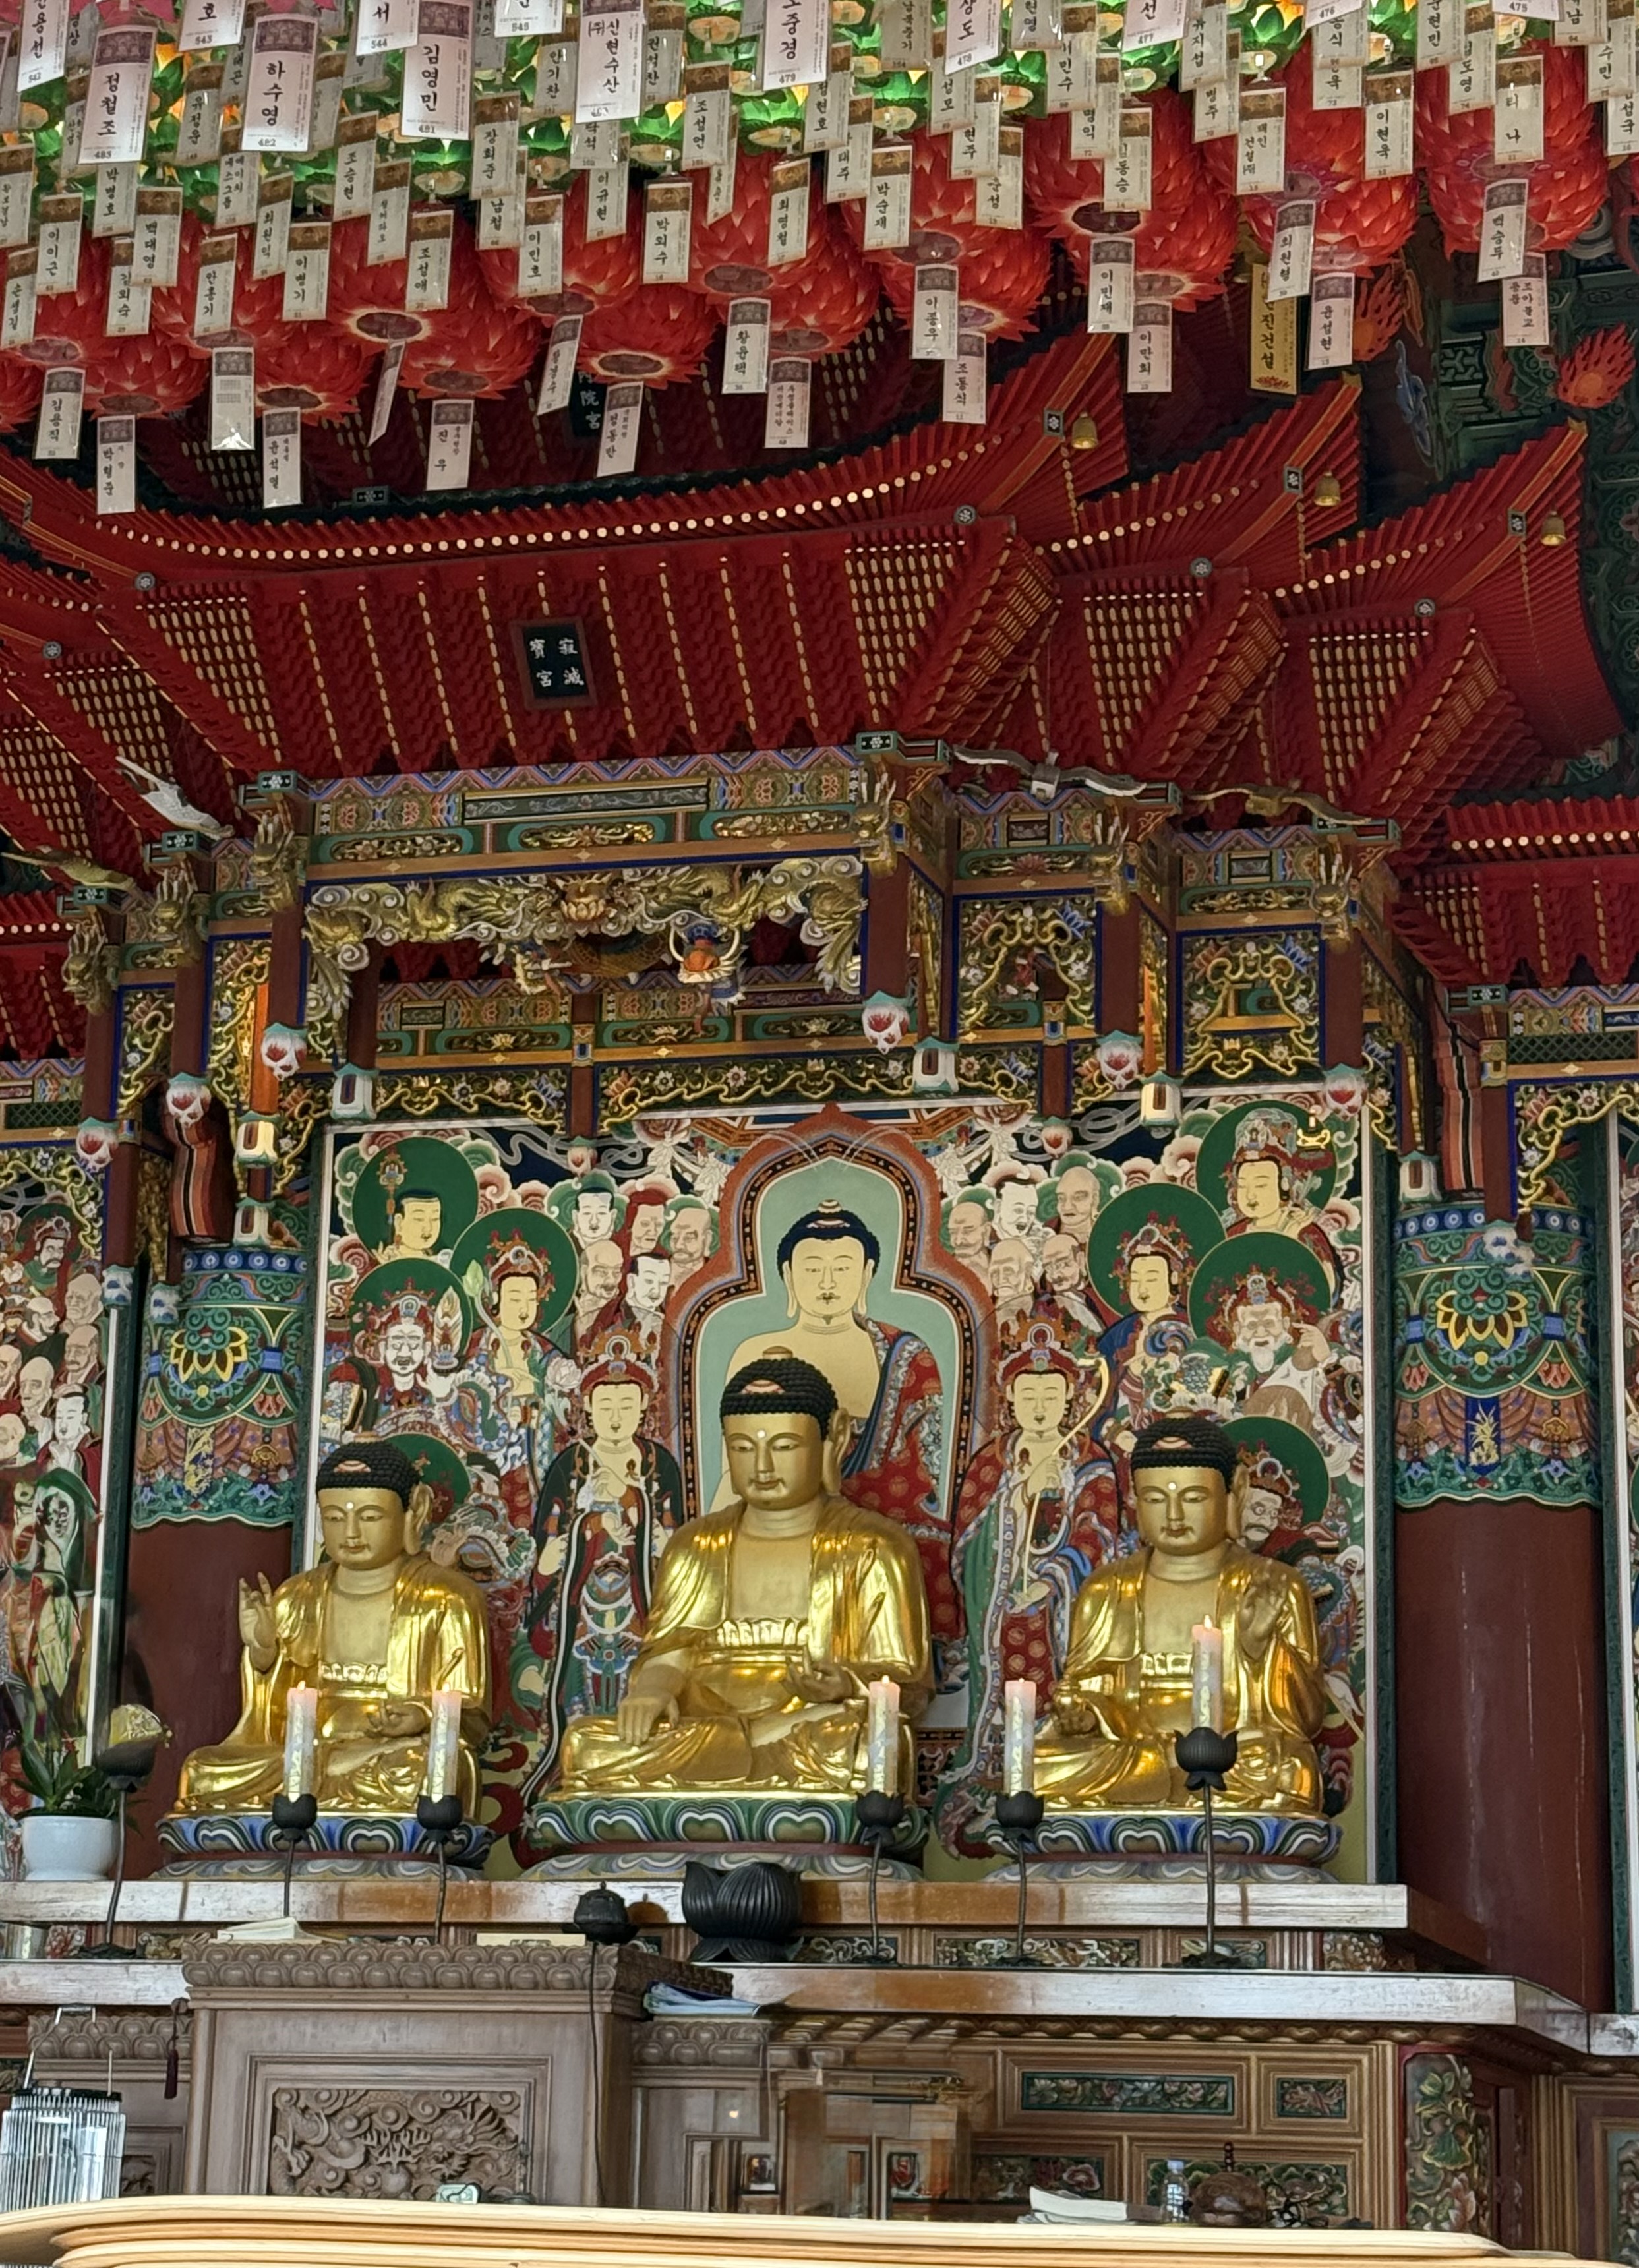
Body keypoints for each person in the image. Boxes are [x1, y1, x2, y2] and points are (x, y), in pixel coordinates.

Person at [554, 1357, 930, 1794]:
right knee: (584, 1744)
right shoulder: (696, 1545)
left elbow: (908, 1687)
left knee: (866, 1744)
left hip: (813, 1727)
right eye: (743, 1448)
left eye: (785, 1447)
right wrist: (653, 1692)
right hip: (698, 1729)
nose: (763, 1467)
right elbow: (670, 1654)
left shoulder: (873, 1546)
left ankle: (741, 1754)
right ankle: (747, 1747)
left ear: (834, 1440)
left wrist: (846, 1683)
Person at [175, 1439, 491, 1815]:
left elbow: (473, 1715)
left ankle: (328, 1787)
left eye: (370, 1517)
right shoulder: (296, 1596)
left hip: (391, 1754)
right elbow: (268, 1720)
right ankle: (324, 1785)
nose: (351, 1534)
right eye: (336, 1518)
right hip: (300, 1754)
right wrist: (264, 1654)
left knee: (422, 1771)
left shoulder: (447, 1597)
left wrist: (422, 1716)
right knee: (201, 1771)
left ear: (413, 1513)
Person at [1032, 1415, 1326, 1814]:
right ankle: (1167, 1776)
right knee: (1034, 1769)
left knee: (1290, 1769)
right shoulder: (1107, 1590)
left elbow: (1306, 1720)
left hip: (1232, 1758)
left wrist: (1261, 1652)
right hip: (1132, 1753)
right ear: (1135, 1500)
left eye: (1193, 1498)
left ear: (1235, 1492)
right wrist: (1080, 1714)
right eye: (1155, 1499)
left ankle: (1160, 1783)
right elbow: (1088, 1693)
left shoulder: (1273, 1584)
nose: (1173, 1516)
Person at [722, 1203, 950, 1634]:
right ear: (788, 1275)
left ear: (867, 1274)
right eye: (812, 1269)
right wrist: (723, 1544)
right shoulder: (753, 1353)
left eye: (842, 1268)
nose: (827, 1283)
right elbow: (729, 1475)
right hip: (766, 1537)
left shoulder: (906, 1356)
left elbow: (926, 1482)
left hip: (865, 1554)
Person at [948, 1336, 1119, 1796]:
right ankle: (994, 1765)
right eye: (1028, 1396)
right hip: (1001, 1600)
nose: (1039, 1408)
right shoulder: (992, 1463)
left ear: (1069, 1398)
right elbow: (968, 1544)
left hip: (1063, 1604)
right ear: (1009, 1398)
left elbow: (1098, 1530)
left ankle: (1056, 1755)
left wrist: (1052, 1579)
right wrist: (1019, 1495)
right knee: (1005, 1679)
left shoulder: (1088, 1459)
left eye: (1049, 1396)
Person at [527, 1343, 684, 1783]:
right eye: (607, 1406)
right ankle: (576, 1774)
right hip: (583, 1613)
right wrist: (590, 1526)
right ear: (589, 1408)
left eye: (627, 1405)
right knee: (580, 1700)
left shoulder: (659, 1464)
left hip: (643, 1609)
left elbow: (677, 1546)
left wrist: (633, 1506)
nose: (616, 1417)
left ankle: (640, 1772)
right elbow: (549, 1551)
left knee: (648, 1688)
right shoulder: (571, 1464)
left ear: (644, 1407)